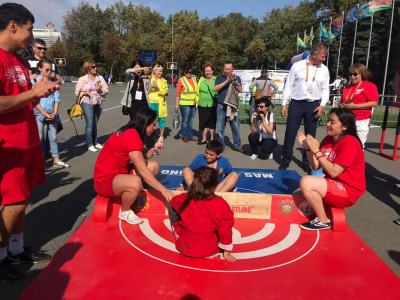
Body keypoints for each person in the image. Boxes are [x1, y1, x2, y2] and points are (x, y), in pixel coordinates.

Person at [0, 3, 59, 282]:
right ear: (13, 25)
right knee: (13, 202)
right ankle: (1, 258)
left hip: (28, 141)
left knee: (22, 201)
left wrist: (41, 91)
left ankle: (16, 248)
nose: (30, 36)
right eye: (28, 29)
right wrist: (32, 93)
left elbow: (25, 100)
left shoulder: (21, 61)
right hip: (8, 145)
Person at [94, 107, 175, 225]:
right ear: (145, 124)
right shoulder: (131, 136)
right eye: (153, 124)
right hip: (104, 180)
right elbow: (142, 169)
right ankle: (125, 211)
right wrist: (164, 190)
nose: (155, 127)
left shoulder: (132, 131)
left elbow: (144, 155)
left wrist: (154, 149)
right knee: (136, 182)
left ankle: (131, 192)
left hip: (118, 172)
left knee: (154, 167)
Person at [296, 107, 365, 230]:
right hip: (335, 183)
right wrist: (308, 149)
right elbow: (316, 165)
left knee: (306, 182)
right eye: (328, 120)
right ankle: (321, 214)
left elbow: (333, 172)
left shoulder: (350, 143)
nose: (327, 124)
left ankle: (323, 220)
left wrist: (316, 150)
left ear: (345, 126)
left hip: (349, 190)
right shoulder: (329, 138)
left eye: (332, 122)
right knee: (298, 191)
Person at [280, 43, 330, 173]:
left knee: (310, 136)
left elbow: (325, 89)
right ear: (315, 55)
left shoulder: (324, 69)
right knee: (290, 133)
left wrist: (322, 105)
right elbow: (289, 86)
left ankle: (307, 161)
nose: (324, 59)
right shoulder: (297, 66)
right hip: (296, 103)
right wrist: (284, 103)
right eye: (323, 56)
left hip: (314, 105)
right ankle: (285, 160)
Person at [170, 166, 236, 261]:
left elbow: (173, 202)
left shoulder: (186, 197)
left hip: (185, 246)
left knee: (173, 209)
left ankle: (178, 232)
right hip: (208, 249)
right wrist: (226, 251)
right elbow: (225, 228)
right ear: (215, 185)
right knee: (222, 223)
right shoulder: (220, 203)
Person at [33, 59, 70, 168]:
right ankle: (39, 161)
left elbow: (57, 99)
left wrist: (55, 112)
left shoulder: (53, 84)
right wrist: (44, 113)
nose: (49, 72)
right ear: (40, 69)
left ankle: (56, 159)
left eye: (51, 70)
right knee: (40, 138)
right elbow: (34, 100)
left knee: (53, 137)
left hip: (52, 114)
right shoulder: (34, 82)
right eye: (47, 70)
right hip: (40, 114)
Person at [340, 63, 378, 149]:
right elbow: (341, 101)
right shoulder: (347, 87)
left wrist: (355, 106)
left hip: (361, 119)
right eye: (350, 74)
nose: (352, 77)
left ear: (362, 74)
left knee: (359, 144)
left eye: (355, 74)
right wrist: (342, 105)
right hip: (347, 119)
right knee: (345, 144)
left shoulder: (369, 86)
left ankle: (357, 162)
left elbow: (374, 103)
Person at [75, 60, 108, 152]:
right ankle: (90, 144)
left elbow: (106, 89)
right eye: (93, 67)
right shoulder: (82, 79)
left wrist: (99, 90)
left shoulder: (100, 78)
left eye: (95, 66)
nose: (95, 68)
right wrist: (86, 93)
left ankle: (95, 142)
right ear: (88, 69)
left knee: (95, 123)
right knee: (90, 124)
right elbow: (77, 92)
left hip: (97, 102)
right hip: (86, 103)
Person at [214, 61, 244, 153]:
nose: (227, 71)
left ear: (232, 69)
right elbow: (215, 89)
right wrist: (227, 81)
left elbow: (240, 90)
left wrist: (234, 81)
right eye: (225, 69)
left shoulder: (237, 78)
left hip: (233, 106)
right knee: (220, 128)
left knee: (235, 127)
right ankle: (221, 146)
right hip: (221, 106)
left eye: (229, 69)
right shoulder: (219, 78)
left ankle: (237, 145)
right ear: (223, 69)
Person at [196, 63, 218, 145]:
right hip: (202, 104)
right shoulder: (201, 80)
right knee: (203, 122)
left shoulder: (216, 80)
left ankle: (212, 139)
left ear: (212, 71)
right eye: (206, 71)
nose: (207, 73)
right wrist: (197, 102)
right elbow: (197, 91)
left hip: (213, 104)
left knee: (212, 122)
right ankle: (203, 139)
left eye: (209, 71)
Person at [175, 66, 198, 143]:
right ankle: (185, 136)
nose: (188, 74)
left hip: (193, 103)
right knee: (185, 120)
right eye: (187, 72)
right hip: (185, 104)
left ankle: (190, 136)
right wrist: (176, 104)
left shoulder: (194, 79)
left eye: (190, 72)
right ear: (184, 72)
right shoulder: (181, 80)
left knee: (190, 121)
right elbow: (178, 94)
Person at [149, 64, 168, 141]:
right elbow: (146, 90)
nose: (161, 73)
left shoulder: (163, 81)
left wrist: (157, 88)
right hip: (150, 103)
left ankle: (161, 136)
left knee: (161, 119)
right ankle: (151, 134)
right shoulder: (150, 79)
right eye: (160, 71)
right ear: (155, 72)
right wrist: (151, 87)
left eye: (162, 71)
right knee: (151, 120)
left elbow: (164, 92)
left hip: (160, 103)